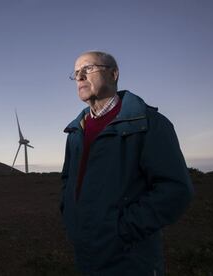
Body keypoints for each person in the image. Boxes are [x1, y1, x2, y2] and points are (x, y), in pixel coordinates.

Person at [60, 51, 194, 276]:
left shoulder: (148, 124)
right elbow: (68, 179)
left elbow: (176, 189)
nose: (80, 77)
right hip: (86, 253)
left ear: (113, 74)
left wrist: (123, 229)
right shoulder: (75, 131)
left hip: (129, 258)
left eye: (88, 69)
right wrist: (70, 216)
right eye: (76, 73)